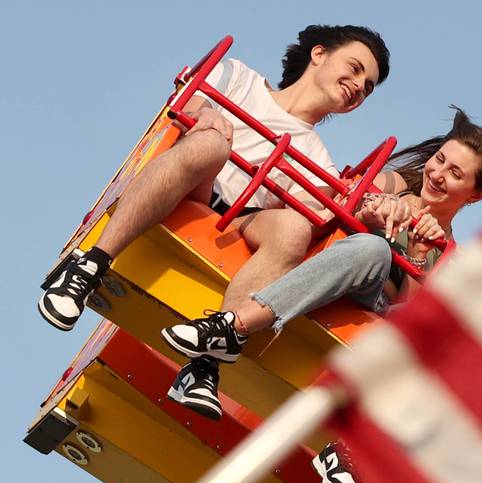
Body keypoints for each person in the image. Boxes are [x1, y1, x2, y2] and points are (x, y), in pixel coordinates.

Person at [161, 107, 482, 483]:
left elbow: (409, 318)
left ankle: (354, 450)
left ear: (477, 195)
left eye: (456, 174)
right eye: (440, 159)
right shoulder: (393, 184)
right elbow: (353, 204)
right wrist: (376, 212)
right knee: (372, 249)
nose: (439, 174)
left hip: (368, 327)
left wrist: (418, 252)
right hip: (329, 274)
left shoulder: (449, 258)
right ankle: (231, 327)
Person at [38, 25, 390, 332]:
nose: (358, 85)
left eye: (368, 86)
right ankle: (90, 265)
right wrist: (207, 114)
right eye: (355, 69)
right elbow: (186, 105)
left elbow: (311, 220)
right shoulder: (240, 78)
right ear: (319, 54)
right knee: (211, 143)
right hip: (196, 179)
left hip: (241, 219)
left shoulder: (319, 159)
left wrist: (361, 211)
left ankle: (214, 345)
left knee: (294, 229)